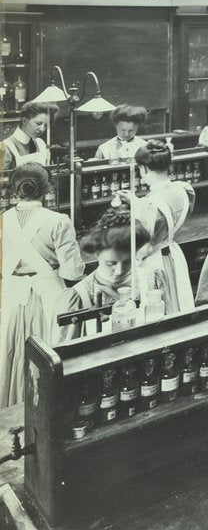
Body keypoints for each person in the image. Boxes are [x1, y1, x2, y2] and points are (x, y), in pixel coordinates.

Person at [1, 163, 85, 404]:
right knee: (49, 356)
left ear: (14, 189)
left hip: (12, 297)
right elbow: (73, 271)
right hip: (48, 296)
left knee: (11, 353)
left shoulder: (3, 220)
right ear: (47, 188)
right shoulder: (57, 221)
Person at [123, 139, 196, 315]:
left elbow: (143, 250)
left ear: (144, 168)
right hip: (172, 254)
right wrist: (137, 202)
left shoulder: (149, 205)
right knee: (177, 303)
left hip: (154, 263)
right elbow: (165, 216)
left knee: (156, 310)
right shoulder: (184, 190)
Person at [61, 205, 152, 340]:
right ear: (97, 253)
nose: (119, 271)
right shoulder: (79, 297)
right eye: (111, 263)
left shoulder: (148, 280)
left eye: (127, 262)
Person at [2, 102, 51, 171]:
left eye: (45, 125)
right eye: (38, 123)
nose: (42, 129)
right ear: (24, 120)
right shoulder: (6, 147)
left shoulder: (40, 143)